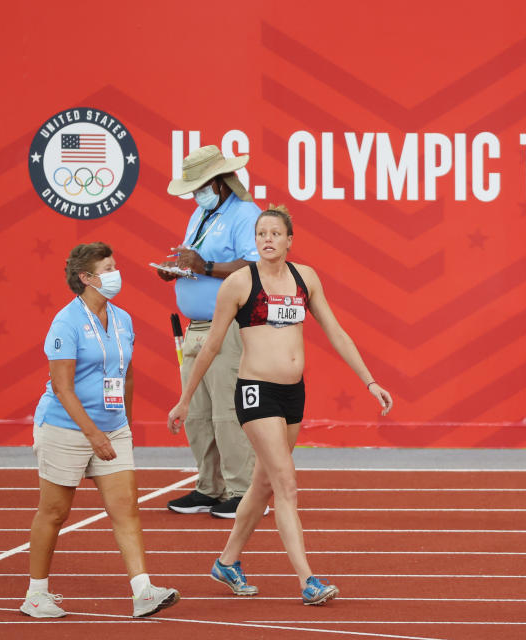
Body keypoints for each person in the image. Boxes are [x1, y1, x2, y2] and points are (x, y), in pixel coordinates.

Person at [167, 205, 392, 605]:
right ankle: (308, 581)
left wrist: (369, 381)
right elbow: (213, 345)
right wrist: (185, 399)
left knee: (264, 483)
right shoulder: (238, 283)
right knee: (286, 483)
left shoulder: (306, 278)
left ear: (289, 240)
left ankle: (227, 561)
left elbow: (337, 333)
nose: (267, 239)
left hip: (293, 393)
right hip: (255, 391)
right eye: (261, 234)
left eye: (275, 233)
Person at [23, 242, 179, 619]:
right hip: (66, 429)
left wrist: (122, 422)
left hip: (112, 429)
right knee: (55, 512)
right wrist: (93, 435)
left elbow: (125, 375)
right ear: (86, 278)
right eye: (107, 268)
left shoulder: (122, 319)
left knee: (126, 509)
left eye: (114, 265)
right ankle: (36, 594)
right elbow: (62, 386)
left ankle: (143, 591)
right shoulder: (66, 322)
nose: (115, 274)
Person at [158, 145, 264, 519]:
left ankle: (243, 490)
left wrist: (205, 266)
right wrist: (179, 270)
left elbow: (256, 266)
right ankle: (210, 486)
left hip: (229, 326)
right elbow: (198, 262)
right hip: (197, 327)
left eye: (200, 185)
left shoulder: (245, 213)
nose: (195, 193)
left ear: (219, 181)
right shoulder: (201, 213)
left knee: (226, 411)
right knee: (199, 412)